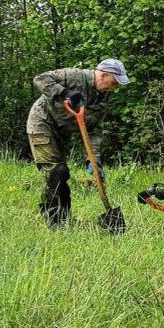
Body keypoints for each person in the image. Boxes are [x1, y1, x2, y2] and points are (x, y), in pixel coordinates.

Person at [27, 58, 130, 226]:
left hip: (63, 132)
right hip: (42, 123)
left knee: (61, 173)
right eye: (114, 82)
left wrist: (93, 161)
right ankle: (53, 221)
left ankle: (63, 219)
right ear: (103, 75)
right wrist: (64, 93)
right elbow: (40, 79)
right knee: (56, 173)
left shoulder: (102, 99)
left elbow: (94, 131)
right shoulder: (75, 76)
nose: (114, 87)